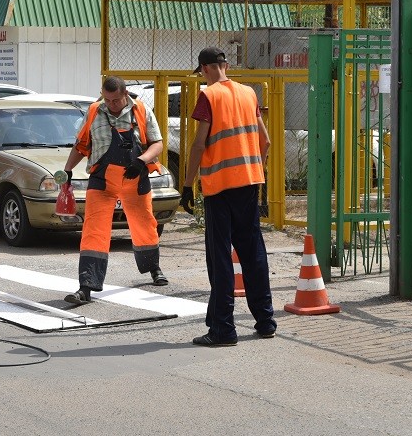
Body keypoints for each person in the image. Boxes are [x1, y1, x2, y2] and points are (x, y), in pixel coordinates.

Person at [181, 47, 277, 346]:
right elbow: (266, 140)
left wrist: (187, 184)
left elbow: (199, 145)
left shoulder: (209, 96)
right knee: (253, 253)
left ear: (206, 69)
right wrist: (253, 168)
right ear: (226, 65)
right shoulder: (248, 93)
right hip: (249, 183)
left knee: (220, 257)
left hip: (220, 188)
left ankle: (223, 329)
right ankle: (265, 321)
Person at [60, 76, 168, 306]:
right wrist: (67, 170)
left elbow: (158, 143)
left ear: (125, 93)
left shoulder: (141, 110)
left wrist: (142, 160)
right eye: (108, 100)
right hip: (102, 180)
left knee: (144, 224)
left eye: (116, 100)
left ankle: (153, 268)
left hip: (135, 177)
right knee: (94, 230)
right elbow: (81, 146)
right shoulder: (93, 112)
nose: (112, 105)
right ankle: (86, 287)